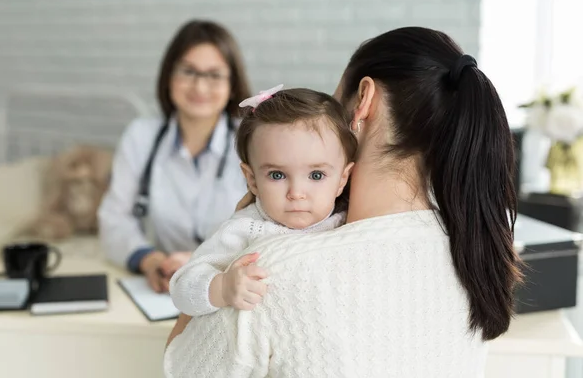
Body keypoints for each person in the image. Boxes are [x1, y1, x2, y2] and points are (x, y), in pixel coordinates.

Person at [164, 27, 522, 377]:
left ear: (363, 100)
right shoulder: (470, 252)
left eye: (335, 104)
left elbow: (179, 368)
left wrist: (223, 263)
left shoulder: (273, 270)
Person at [169, 86, 356, 316]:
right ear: (252, 180)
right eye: (277, 175)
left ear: (342, 179)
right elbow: (181, 288)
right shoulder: (245, 229)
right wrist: (223, 287)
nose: (296, 193)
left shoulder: (349, 222)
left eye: (316, 175)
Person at [98, 20, 251, 292]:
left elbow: (274, 229)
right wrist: (149, 260)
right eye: (188, 71)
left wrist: (199, 262)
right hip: (165, 284)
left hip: (231, 286)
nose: (200, 87)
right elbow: (114, 218)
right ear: (169, 76)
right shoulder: (141, 136)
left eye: (214, 75)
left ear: (232, 84)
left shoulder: (254, 141)